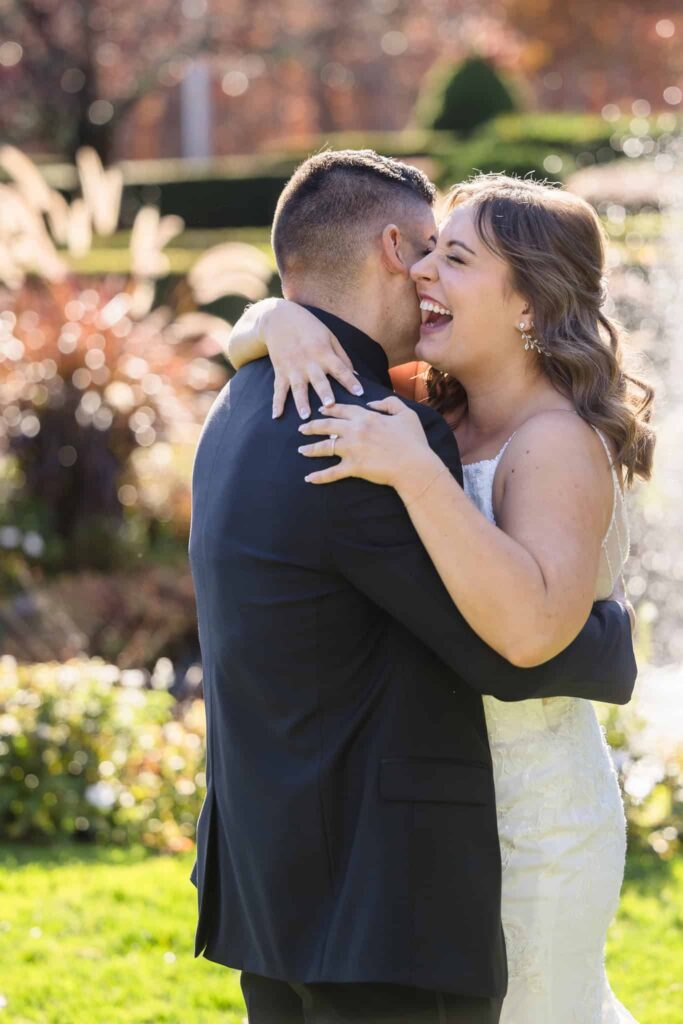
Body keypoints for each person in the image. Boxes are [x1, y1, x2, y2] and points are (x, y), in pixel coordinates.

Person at [190, 151, 638, 1024]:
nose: (424, 271)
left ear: (530, 305)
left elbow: (523, 641)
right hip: (424, 830)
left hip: (520, 815)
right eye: (428, 250)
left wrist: (420, 477)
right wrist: (272, 316)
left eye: (454, 257)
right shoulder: (412, 406)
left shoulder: (540, 440)